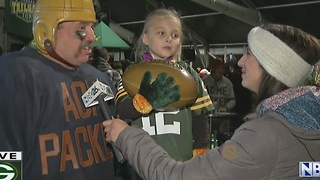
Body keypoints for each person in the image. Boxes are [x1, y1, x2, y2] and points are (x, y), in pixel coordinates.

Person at [104, 23, 320, 179]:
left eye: (248, 53)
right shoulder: (303, 121)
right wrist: (222, 154)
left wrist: (126, 136)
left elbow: (174, 176)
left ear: (271, 66)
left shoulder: (265, 135)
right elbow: (305, 168)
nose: (239, 61)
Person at [0, 0, 117, 179]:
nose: (92, 36)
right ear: (44, 31)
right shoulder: (18, 75)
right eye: (81, 29)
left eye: (92, 27)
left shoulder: (99, 79)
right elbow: (7, 155)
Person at [115, 8, 214, 163]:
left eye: (175, 35)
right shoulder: (132, 74)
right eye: (161, 33)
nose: (169, 39)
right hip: (143, 161)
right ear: (145, 38)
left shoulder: (190, 74)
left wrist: (201, 148)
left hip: (181, 161)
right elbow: (121, 110)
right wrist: (145, 100)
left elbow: (201, 117)